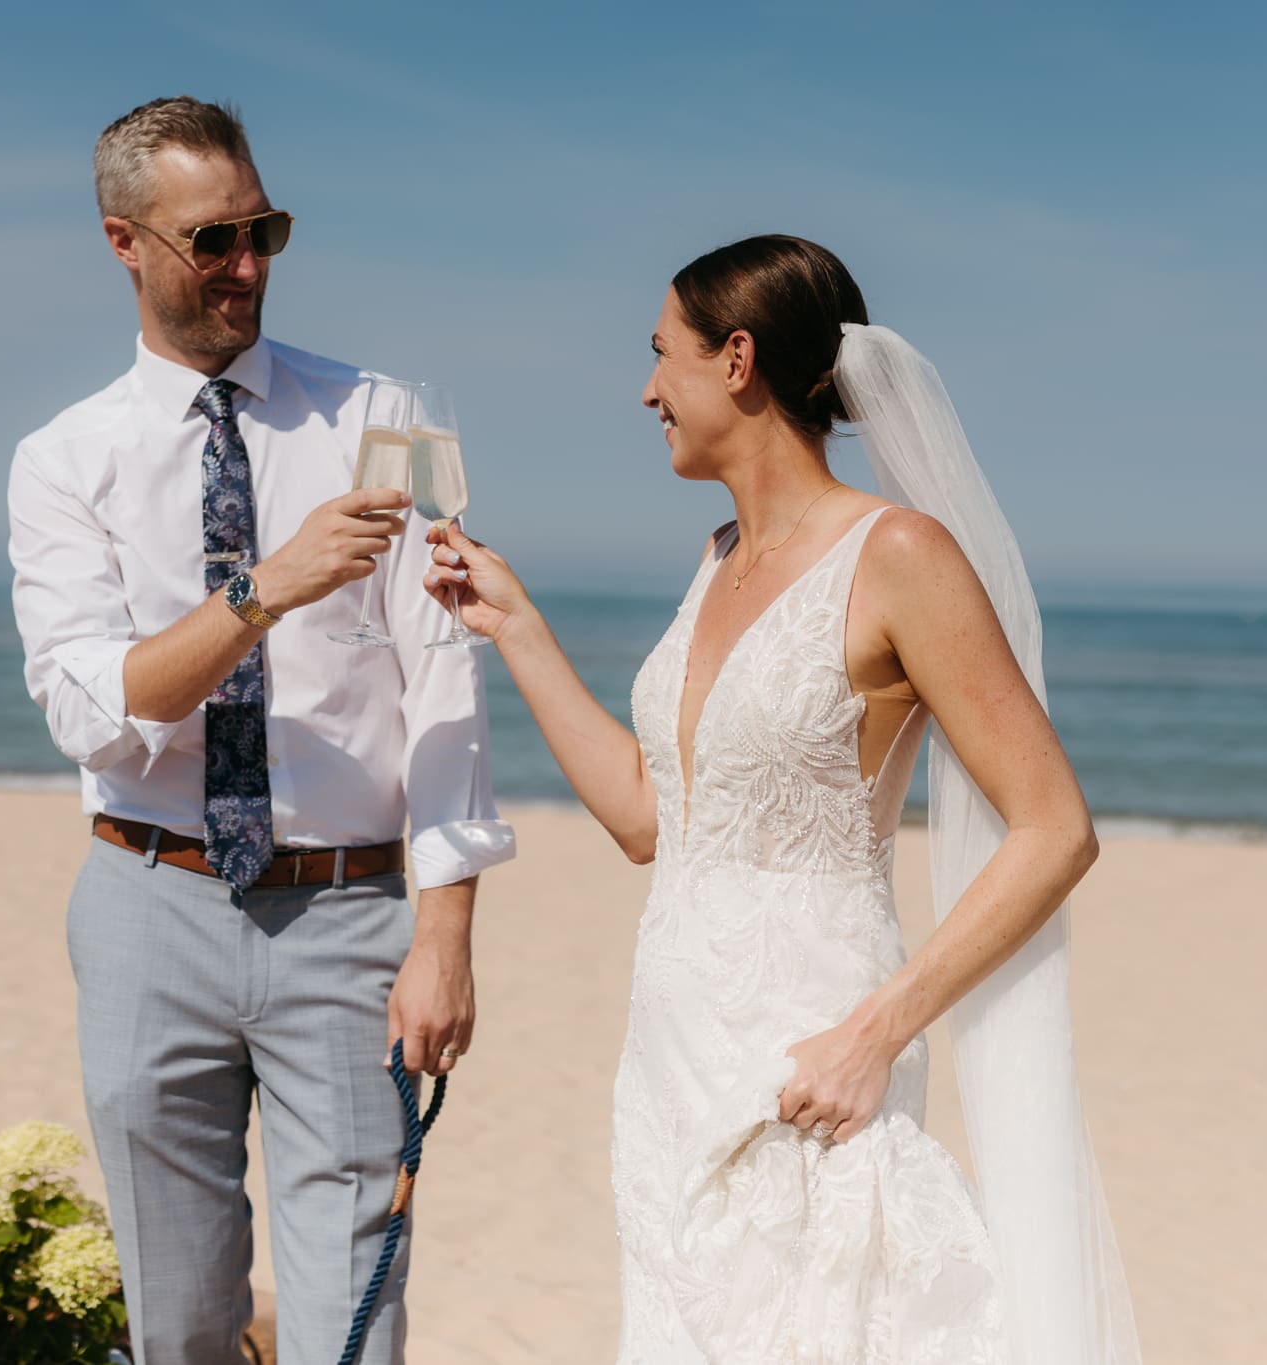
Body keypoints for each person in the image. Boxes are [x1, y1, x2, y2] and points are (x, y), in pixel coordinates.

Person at [424, 236, 1139, 1363]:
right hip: (668, 1064)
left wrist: (875, 1032)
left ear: (737, 359)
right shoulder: (714, 557)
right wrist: (515, 627)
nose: (645, 388)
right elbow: (652, 822)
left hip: (812, 1054)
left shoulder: (897, 553)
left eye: (662, 355)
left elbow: (1054, 829)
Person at [6, 96, 515, 1365]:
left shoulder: (384, 416)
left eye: (264, 230)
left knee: (353, 1315)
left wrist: (442, 935)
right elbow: (90, 714)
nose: (247, 266)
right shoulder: (61, 461)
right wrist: (263, 590)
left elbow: (445, 682)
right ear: (125, 243)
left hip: (349, 917)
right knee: (173, 1320)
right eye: (212, 241)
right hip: (145, 900)